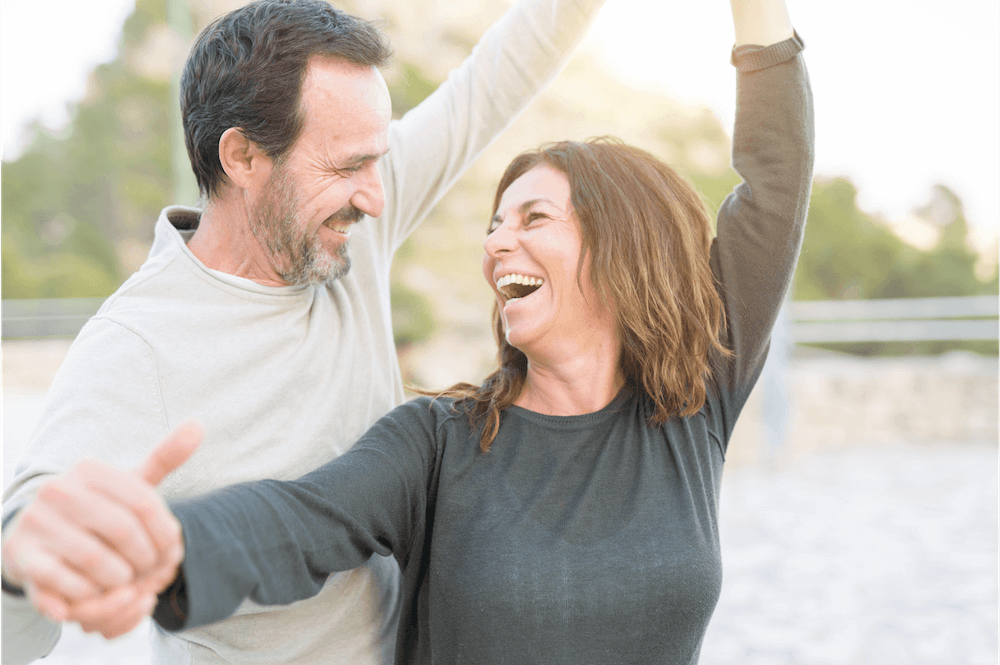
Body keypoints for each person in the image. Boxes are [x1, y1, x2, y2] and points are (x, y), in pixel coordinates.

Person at [0, 0, 607, 663]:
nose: (377, 196)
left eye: (379, 160)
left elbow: (504, 69)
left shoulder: (349, 218)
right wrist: (24, 561)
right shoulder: (135, 346)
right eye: (348, 167)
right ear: (243, 156)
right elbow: (29, 548)